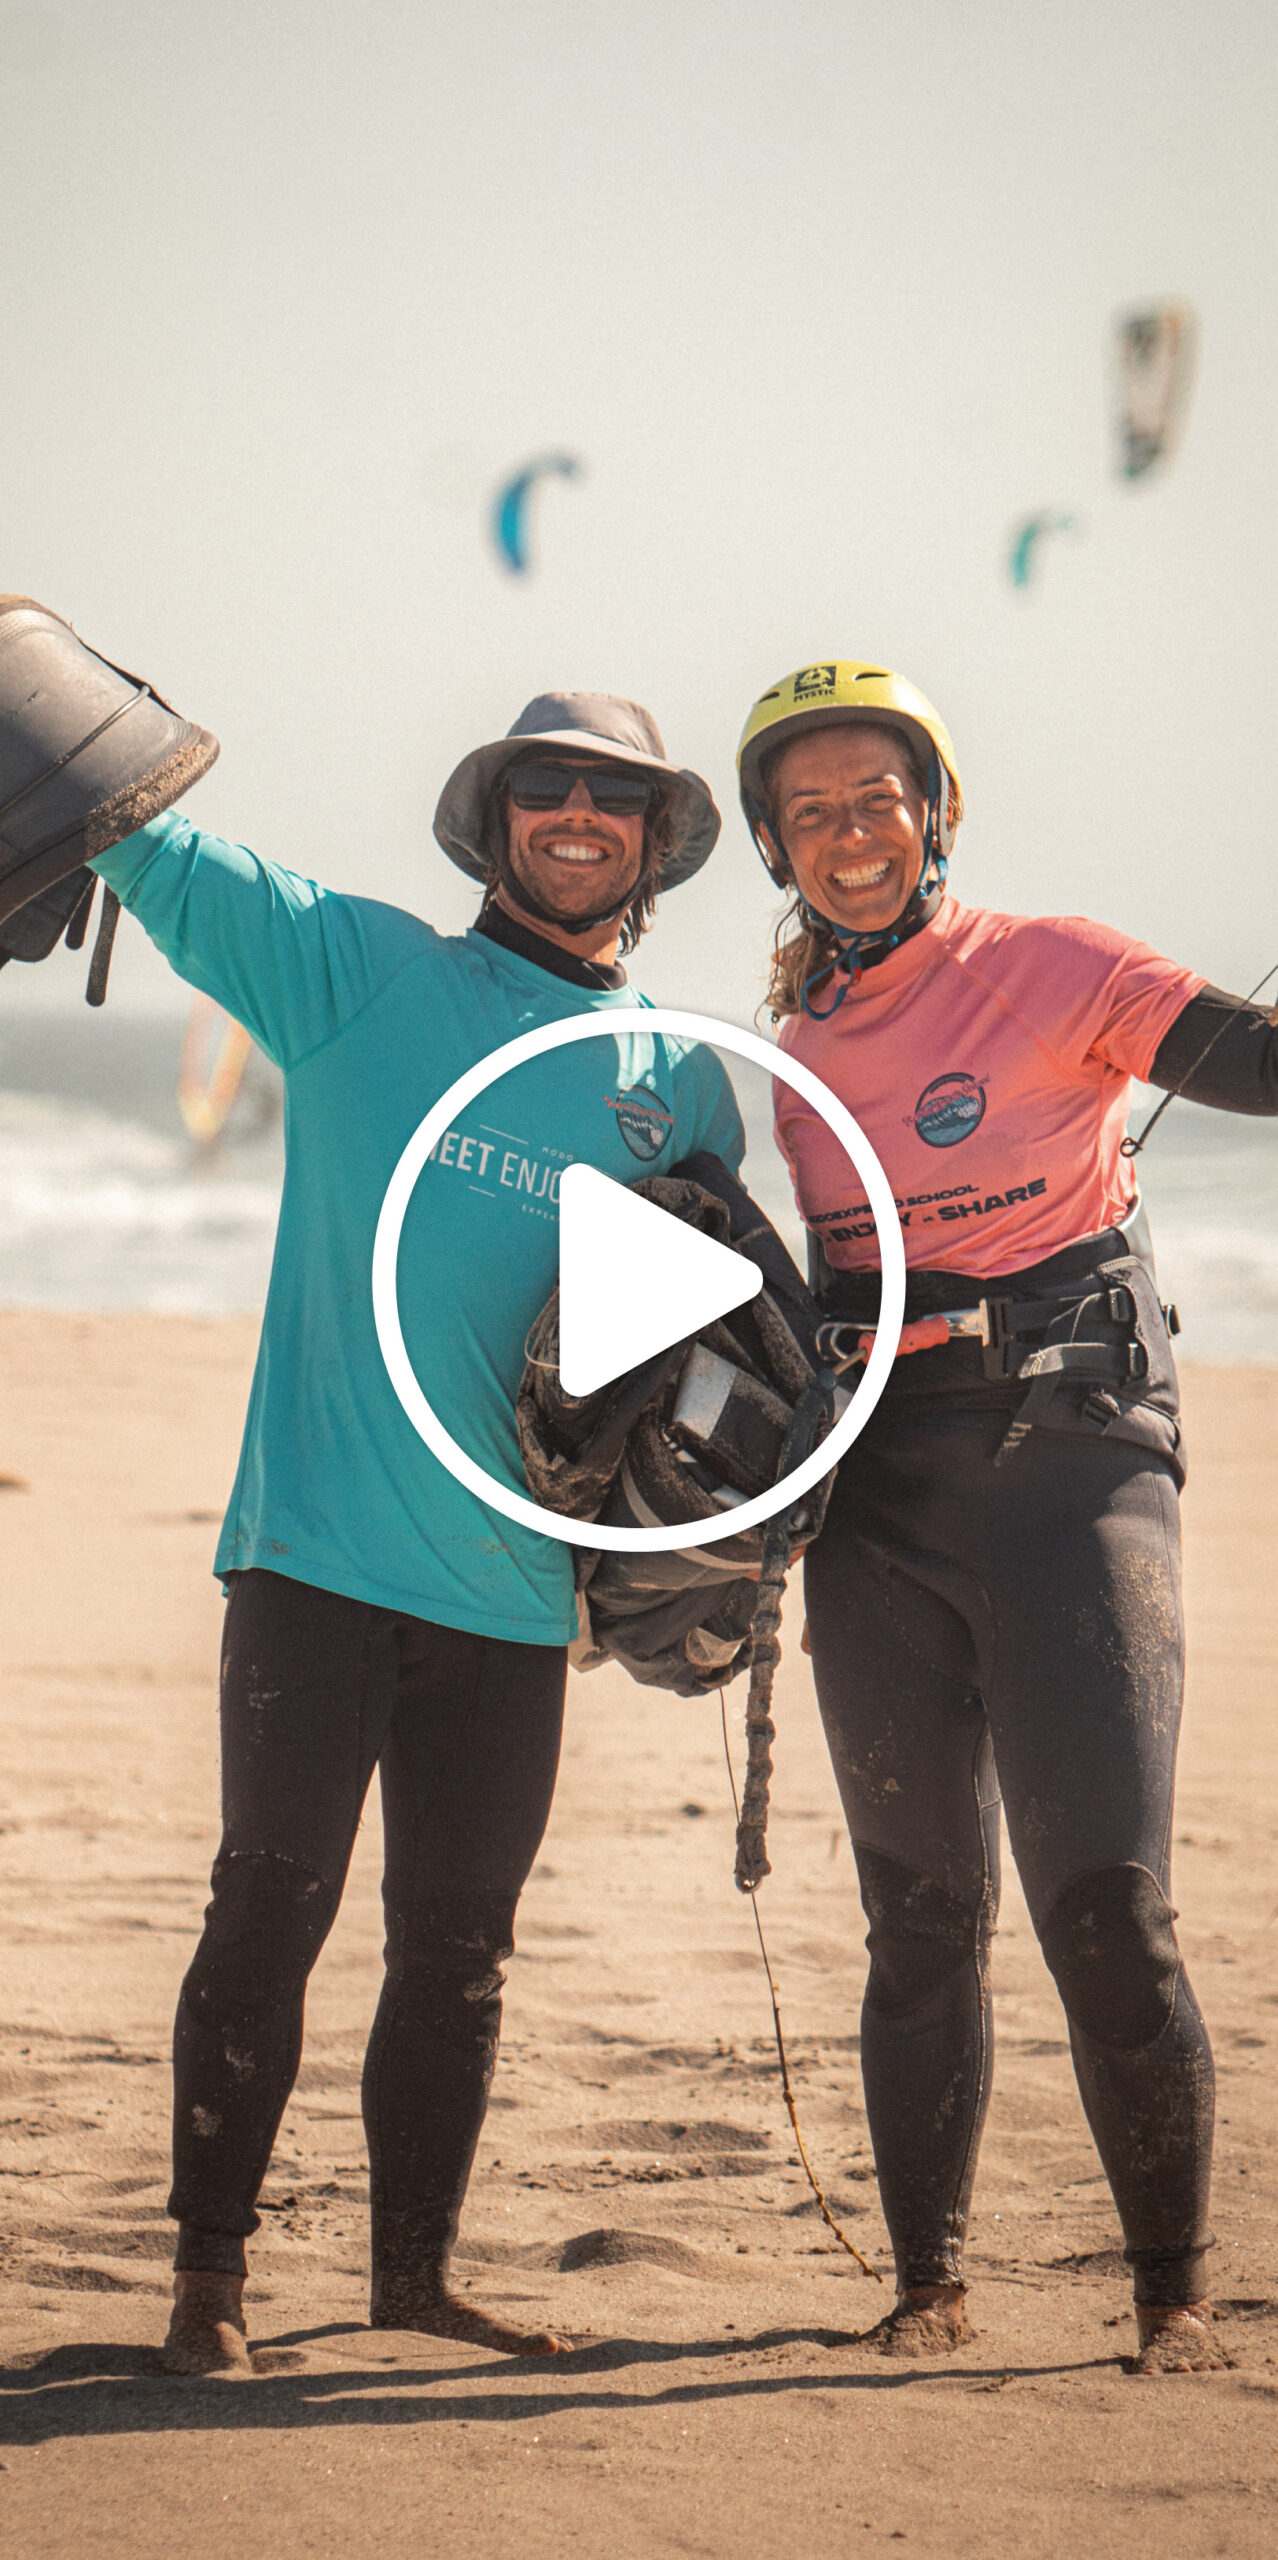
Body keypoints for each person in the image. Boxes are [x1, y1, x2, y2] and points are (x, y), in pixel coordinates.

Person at [88, 690, 743, 2374]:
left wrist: (698, 1572)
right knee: (269, 1908)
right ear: (497, 813)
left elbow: (709, 1373)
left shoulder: (679, 1083)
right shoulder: (357, 973)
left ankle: (411, 2279)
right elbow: (135, 825)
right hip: (311, 1558)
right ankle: (209, 2284)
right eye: (548, 783)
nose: (579, 810)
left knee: (458, 1950)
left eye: (616, 792)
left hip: (515, 1601)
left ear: (657, 839)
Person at [737, 660, 1273, 2377]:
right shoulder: (794, 1048)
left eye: (876, 798)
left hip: (1072, 1465)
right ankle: (925, 2286)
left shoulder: (1053, 965)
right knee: (916, 1910)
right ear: (771, 845)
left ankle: (1174, 2295)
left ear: (936, 812)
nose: (848, 834)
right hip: (884, 1500)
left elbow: (1248, 1062)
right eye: (808, 810)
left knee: (1102, 1897)